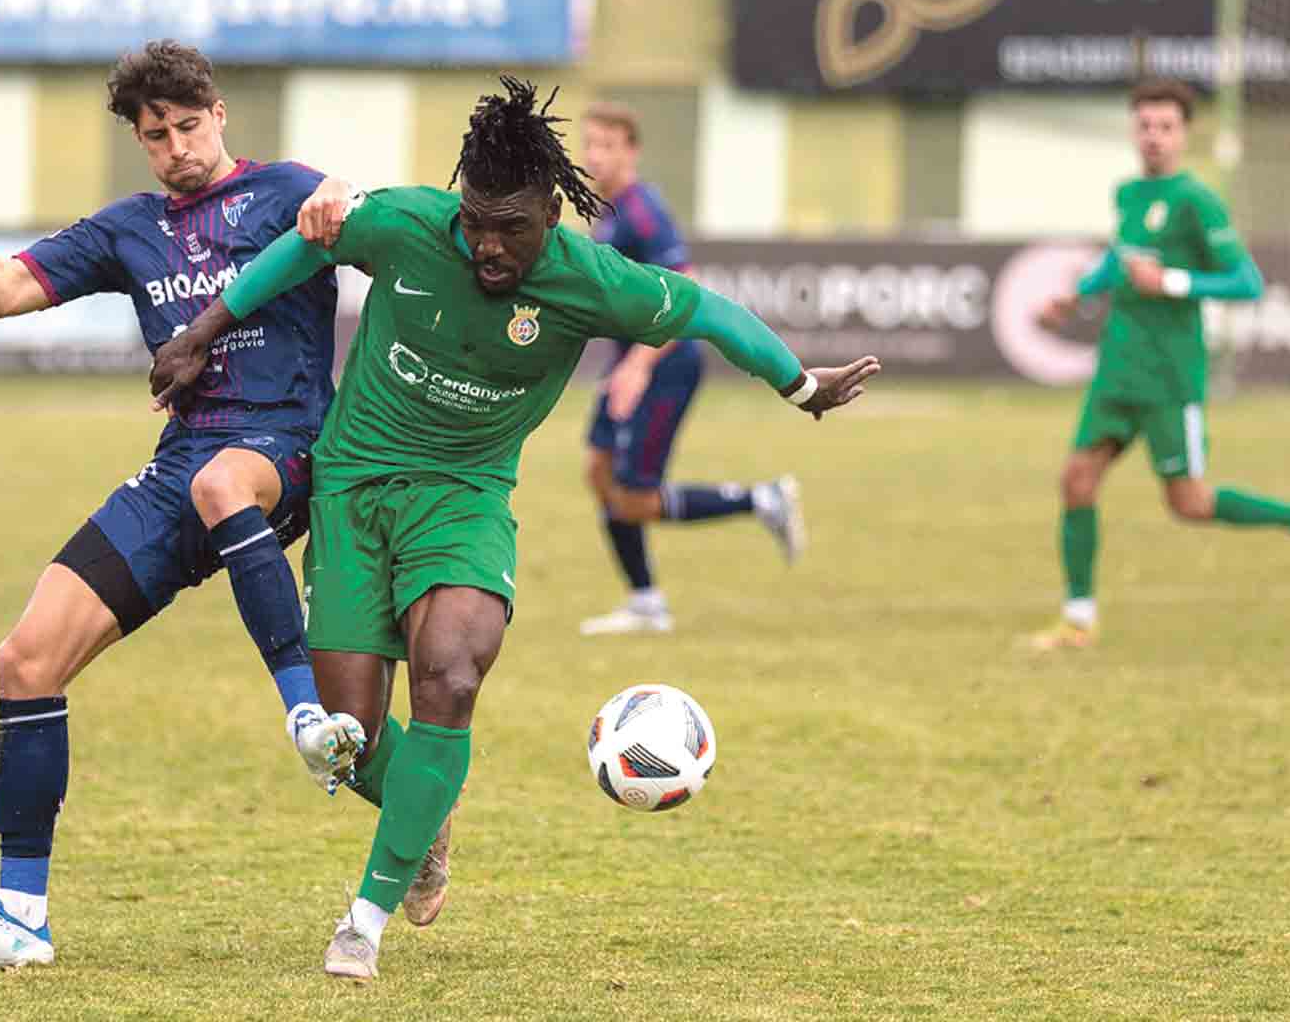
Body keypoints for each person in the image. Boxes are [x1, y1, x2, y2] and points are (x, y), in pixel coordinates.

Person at [148, 76, 881, 982]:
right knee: (346, 740)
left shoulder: (591, 280)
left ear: (553, 212)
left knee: (450, 675)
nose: (491, 247)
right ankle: (426, 816)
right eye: (478, 223)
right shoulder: (407, 225)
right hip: (353, 493)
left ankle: (364, 921)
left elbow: (709, 314)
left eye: (515, 228)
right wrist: (202, 331)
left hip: (464, 499)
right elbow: (303, 249)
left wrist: (798, 384)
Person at [0, 39, 365, 968]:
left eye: (187, 125)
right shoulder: (130, 228)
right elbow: (0, 293)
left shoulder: (289, 190)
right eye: (155, 134)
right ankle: (18, 917)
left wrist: (346, 202)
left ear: (220, 114)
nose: (175, 146)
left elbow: (387, 230)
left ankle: (302, 715)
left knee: (220, 483)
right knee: (25, 660)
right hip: (182, 467)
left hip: (284, 453)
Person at [1028, 78, 1290, 651]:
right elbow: (1120, 259)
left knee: (1189, 503)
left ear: (1184, 134)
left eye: (1166, 127)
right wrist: (1076, 297)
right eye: (1145, 125)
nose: (1154, 136)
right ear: (1134, 130)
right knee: (1076, 481)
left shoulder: (1197, 202)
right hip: (1117, 371)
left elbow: (1247, 282)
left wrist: (1173, 281)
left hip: (1170, 378)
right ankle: (1078, 619)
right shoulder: (1127, 193)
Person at [575, 102, 806, 636]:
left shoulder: (643, 211)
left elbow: (686, 285)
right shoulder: (608, 212)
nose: (594, 156)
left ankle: (761, 499)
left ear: (630, 151)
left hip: (666, 364)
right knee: (598, 473)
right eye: (589, 144)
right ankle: (644, 600)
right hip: (627, 363)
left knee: (633, 496)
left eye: (607, 145)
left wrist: (638, 365)